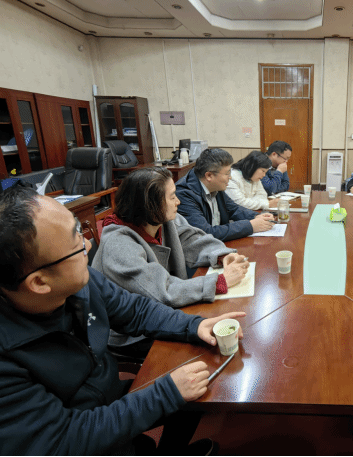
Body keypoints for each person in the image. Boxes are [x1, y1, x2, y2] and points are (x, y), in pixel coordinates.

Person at [0, 186, 246, 455]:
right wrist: (164, 394)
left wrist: (194, 325)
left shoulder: (77, 282)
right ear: (39, 282)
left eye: (79, 232)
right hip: (81, 433)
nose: (88, 245)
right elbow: (62, 442)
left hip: (107, 396)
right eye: (76, 244)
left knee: (200, 388)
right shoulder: (7, 358)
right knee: (178, 392)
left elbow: (135, 310)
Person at [92, 166, 249, 357]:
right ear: (149, 205)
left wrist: (222, 255)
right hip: (133, 334)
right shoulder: (118, 245)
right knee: (207, 347)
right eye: (172, 196)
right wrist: (220, 281)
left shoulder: (161, 218)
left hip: (167, 314)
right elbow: (161, 291)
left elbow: (192, 239)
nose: (178, 201)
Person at [176, 148, 275, 241]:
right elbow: (205, 233)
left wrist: (256, 216)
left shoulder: (214, 185)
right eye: (227, 173)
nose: (230, 177)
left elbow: (233, 209)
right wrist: (250, 226)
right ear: (209, 175)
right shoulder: (185, 195)